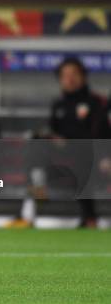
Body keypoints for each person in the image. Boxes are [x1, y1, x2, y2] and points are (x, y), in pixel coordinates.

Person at [49, 57, 107, 228]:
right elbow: (52, 131)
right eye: (65, 75)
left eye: (74, 74)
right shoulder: (58, 105)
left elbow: (100, 135)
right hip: (64, 157)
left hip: (95, 157)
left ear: (83, 76)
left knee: (82, 159)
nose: (70, 79)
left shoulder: (98, 103)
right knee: (35, 146)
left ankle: (90, 218)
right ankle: (27, 212)